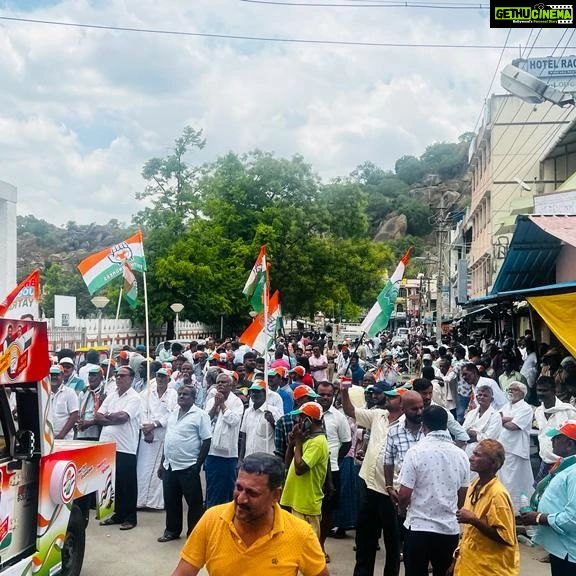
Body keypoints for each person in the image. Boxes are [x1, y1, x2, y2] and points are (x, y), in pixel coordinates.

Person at [170, 452, 328, 576]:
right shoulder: (212, 519)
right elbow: (183, 572)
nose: (241, 498)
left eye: (252, 493)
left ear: (275, 495)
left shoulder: (301, 534)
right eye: (239, 488)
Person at [398, 405, 470, 576]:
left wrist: (402, 510)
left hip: (418, 527)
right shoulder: (461, 455)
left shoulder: (415, 452)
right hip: (448, 528)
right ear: (446, 425)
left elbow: (404, 494)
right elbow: (463, 494)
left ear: (424, 426)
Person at [340, 380, 399, 576]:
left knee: (392, 541)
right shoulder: (378, 415)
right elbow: (351, 411)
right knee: (365, 537)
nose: (388, 398)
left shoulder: (410, 425)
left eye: (393, 396)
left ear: (403, 402)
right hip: (369, 484)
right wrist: (343, 392)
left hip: (391, 490)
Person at [454, 439, 519, 576]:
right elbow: (469, 533)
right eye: (473, 454)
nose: (471, 458)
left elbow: (506, 538)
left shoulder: (498, 494)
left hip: (490, 569)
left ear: (493, 463)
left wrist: (474, 521)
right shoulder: (473, 485)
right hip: (470, 564)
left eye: (478, 455)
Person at [521, 421, 576, 575]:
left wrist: (539, 518)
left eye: (557, 438)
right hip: (561, 549)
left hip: (569, 552)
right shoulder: (565, 465)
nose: (552, 441)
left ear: (569, 445)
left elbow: (573, 519)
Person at [158, 386, 212, 542]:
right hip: (170, 465)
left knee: (194, 504)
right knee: (171, 501)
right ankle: (172, 531)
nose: (181, 396)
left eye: (185, 394)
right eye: (180, 394)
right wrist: (162, 463)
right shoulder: (173, 414)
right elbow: (167, 440)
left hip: (188, 466)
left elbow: (207, 440)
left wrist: (197, 465)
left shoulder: (200, 415)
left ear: (194, 398)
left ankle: (195, 534)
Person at [97, 365, 142, 530]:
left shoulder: (134, 398)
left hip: (125, 447)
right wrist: (110, 418)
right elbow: (97, 415)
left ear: (131, 378)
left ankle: (130, 517)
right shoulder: (111, 395)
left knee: (127, 484)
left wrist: (106, 417)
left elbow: (124, 417)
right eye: (117, 375)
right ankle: (118, 514)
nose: (118, 378)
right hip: (107, 445)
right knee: (114, 484)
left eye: (122, 376)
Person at [281, 402, 330, 539]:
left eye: (301, 418)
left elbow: (300, 468)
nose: (298, 422)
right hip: (295, 500)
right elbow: (288, 463)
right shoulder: (306, 439)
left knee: (306, 544)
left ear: (310, 420)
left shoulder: (318, 442)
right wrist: (292, 444)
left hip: (306, 504)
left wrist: (297, 442)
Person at [315, 381, 352, 555]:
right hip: (310, 469)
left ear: (333, 395)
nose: (325, 398)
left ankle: (320, 546)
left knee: (327, 511)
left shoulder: (338, 417)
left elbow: (346, 442)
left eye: (328, 395)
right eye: (321, 394)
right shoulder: (308, 413)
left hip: (332, 470)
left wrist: (334, 459)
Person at [137, 367, 178, 510]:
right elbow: (141, 411)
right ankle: (140, 501)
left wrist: (155, 425)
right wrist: (146, 428)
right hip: (146, 435)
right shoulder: (146, 393)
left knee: (158, 470)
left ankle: (155, 503)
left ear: (169, 379)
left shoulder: (173, 394)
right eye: (158, 376)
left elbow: (172, 413)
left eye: (163, 377)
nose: (160, 379)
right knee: (143, 468)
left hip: (162, 436)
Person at [204, 373, 245, 508]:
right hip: (211, 451)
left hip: (227, 454)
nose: (220, 385)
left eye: (224, 382)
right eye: (218, 382)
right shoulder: (211, 400)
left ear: (232, 386)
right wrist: (215, 405)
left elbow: (234, 421)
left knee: (226, 488)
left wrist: (222, 405)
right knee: (212, 487)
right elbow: (205, 420)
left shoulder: (236, 402)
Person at [497, 381, 535, 513]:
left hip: (517, 449)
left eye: (514, 389)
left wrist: (502, 420)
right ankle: (505, 508)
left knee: (516, 482)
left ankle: (518, 510)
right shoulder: (505, 406)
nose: (511, 392)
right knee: (504, 481)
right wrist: (508, 418)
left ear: (522, 393)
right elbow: (498, 419)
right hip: (503, 448)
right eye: (509, 389)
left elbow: (513, 427)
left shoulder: (526, 408)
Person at [534, 376, 576, 482]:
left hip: (564, 463)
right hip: (545, 462)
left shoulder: (568, 411)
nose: (541, 393)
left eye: (544, 390)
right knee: (540, 495)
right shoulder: (538, 411)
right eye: (539, 390)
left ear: (554, 390)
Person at [411, 378, 469, 447]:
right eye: (424, 393)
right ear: (415, 393)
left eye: (430, 393)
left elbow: (462, 435)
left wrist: (451, 449)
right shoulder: (408, 411)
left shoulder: (440, 411)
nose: (428, 397)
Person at [274, 384, 320, 460]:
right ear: (298, 401)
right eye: (310, 399)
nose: (313, 402)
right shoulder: (283, 421)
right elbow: (279, 452)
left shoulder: (317, 419)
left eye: (314, 399)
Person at [239, 381, 283, 458]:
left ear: (265, 394)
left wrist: (272, 422)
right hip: (249, 457)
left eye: (258, 391)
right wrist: (240, 458)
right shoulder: (247, 412)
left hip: (267, 458)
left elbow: (280, 435)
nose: (254, 394)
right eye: (252, 391)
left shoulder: (273, 411)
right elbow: (244, 436)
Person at [462, 385, 502, 458]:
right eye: (480, 395)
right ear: (476, 397)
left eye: (485, 395)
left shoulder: (495, 416)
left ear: (491, 399)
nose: (482, 397)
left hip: (486, 452)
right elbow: (463, 431)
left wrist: (475, 434)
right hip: (468, 450)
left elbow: (489, 438)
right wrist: (476, 434)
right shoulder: (471, 413)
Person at [49, 365, 79, 440]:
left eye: (56, 375)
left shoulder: (70, 392)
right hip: (47, 438)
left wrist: (61, 435)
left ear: (62, 375)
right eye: (51, 375)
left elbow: (74, 416)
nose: (54, 377)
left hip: (65, 438)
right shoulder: (44, 393)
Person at [76, 366, 106, 440]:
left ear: (101, 378)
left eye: (94, 375)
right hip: (82, 433)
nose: (91, 378)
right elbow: (78, 410)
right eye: (90, 375)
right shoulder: (84, 392)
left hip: (96, 432)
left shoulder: (104, 392)